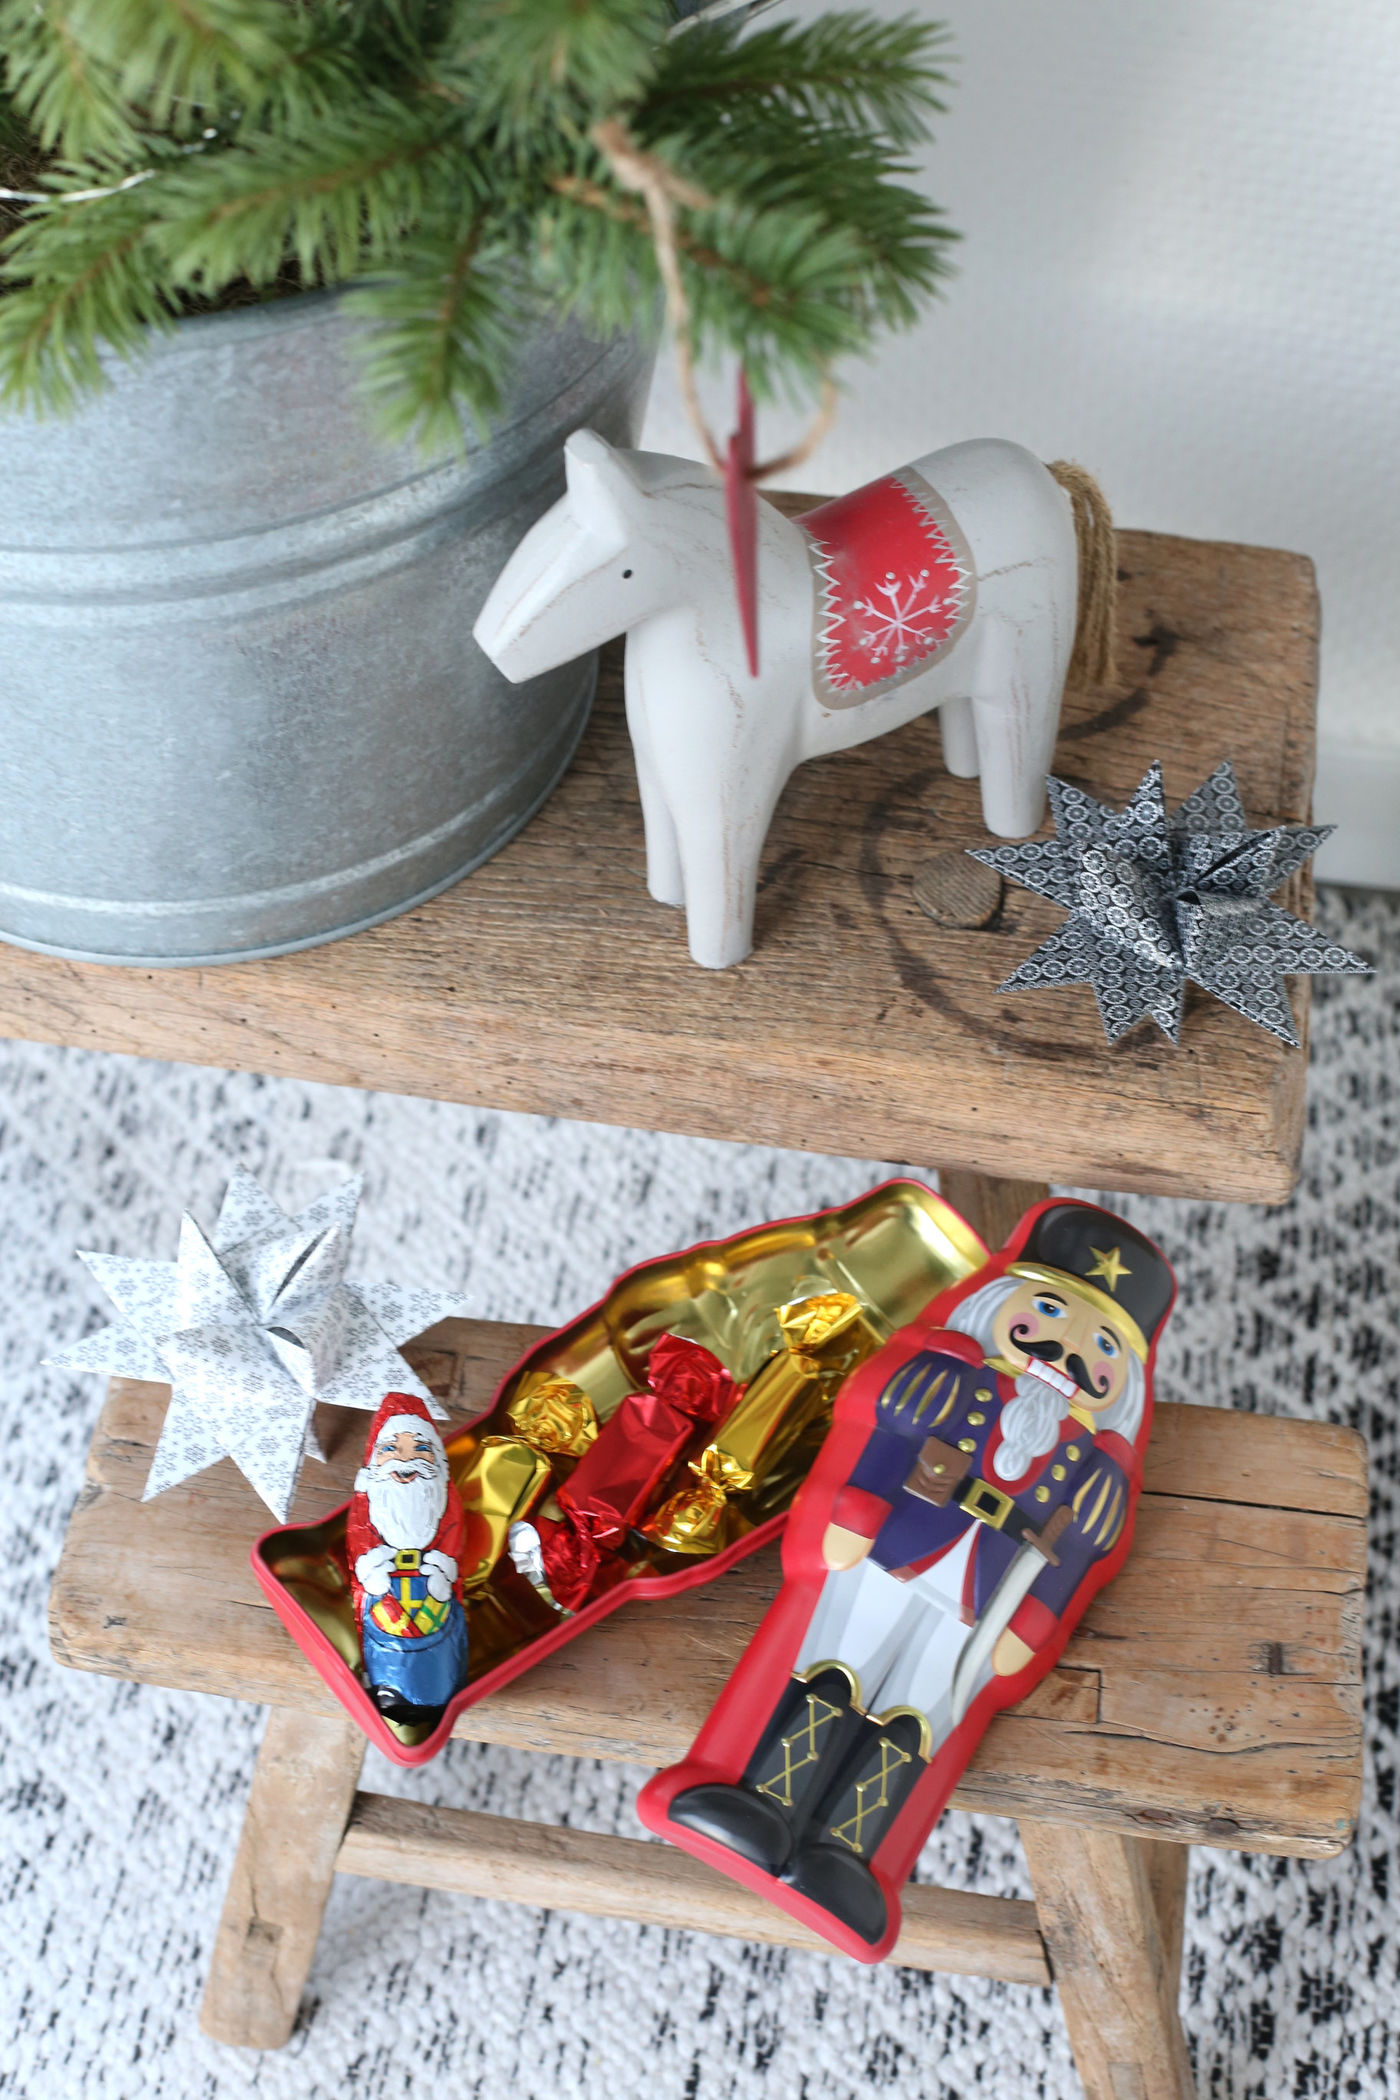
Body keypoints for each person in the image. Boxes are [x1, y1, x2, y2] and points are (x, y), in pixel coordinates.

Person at [662, 1199, 1174, 1949]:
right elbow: (887, 1443)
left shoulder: (1091, 1467)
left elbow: (1071, 1556)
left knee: (920, 1714)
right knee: (834, 1671)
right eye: (1049, 1312)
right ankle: (762, 1804)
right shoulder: (953, 1380)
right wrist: (853, 1514)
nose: (1066, 1350)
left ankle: (845, 1854)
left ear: (1121, 1381)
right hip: (893, 1551)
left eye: (1100, 1346)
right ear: (1001, 1305)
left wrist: (1033, 1623)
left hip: (984, 1600)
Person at [347, 1392, 470, 1728]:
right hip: (382, 1608)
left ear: (438, 1462)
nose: (406, 1460)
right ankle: (392, 1687)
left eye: (420, 1449)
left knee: (443, 1635)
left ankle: (439, 1686)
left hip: (437, 1606)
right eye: (392, 1448)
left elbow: (453, 1533)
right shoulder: (370, 1500)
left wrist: (445, 1572)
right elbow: (359, 1538)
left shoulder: (443, 1497)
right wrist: (370, 1573)